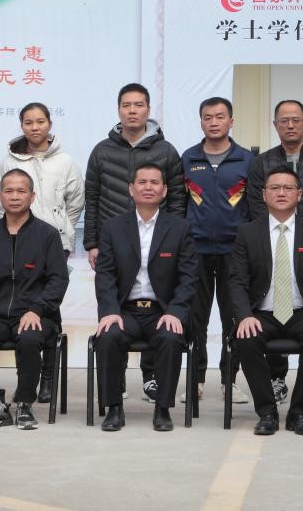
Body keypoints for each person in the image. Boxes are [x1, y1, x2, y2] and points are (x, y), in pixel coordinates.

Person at [84, 83, 186, 403]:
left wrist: (174, 235)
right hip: (114, 241)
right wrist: (92, 242)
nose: (132, 110)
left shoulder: (165, 151)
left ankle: (151, 377)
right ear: (118, 110)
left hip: (158, 237)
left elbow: (178, 198)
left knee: (157, 299)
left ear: (148, 110)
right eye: (126, 105)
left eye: (138, 105)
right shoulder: (102, 150)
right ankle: (116, 382)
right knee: (119, 305)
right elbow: (92, 197)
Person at [228, 165, 303, 436]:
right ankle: (267, 413)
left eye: (288, 188)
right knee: (246, 338)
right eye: (274, 188)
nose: (281, 192)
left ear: (299, 194)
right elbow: (237, 281)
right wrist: (244, 316)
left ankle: (299, 413)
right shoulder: (247, 232)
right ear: (264, 194)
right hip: (262, 313)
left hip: (302, 312)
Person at [245, 99, 303, 403]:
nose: (290, 125)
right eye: (283, 120)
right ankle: (276, 378)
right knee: (271, 301)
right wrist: (278, 225)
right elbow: (256, 202)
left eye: (296, 120)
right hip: (270, 238)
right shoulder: (261, 163)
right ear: (275, 125)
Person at [94, 164, 198, 432]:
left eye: (154, 182)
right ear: (131, 189)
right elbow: (105, 275)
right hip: (125, 311)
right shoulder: (113, 227)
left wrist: (175, 312)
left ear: (164, 190)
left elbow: (188, 277)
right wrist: (109, 311)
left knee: (171, 337)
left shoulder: (180, 228)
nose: (148, 187)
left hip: (161, 310)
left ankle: (162, 408)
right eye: (142, 182)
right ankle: (114, 408)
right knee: (108, 336)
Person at [0, 169, 68, 431]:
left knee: (30, 338)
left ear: (32, 196)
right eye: (9, 191)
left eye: (21, 191)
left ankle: (24, 403)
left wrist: (37, 309)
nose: (14, 196)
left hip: (37, 314)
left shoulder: (47, 235)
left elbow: (58, 280)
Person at [0, 101, 84, 403]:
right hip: (17, 241)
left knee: (49, 308)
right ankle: (27, 379)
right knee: (23, 307)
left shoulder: (66, 162)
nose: (35, 127)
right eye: (29, 122)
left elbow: (75, 202)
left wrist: (61, 228)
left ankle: (48, 376)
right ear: (22, 126)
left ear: (49, 124)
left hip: (55, 242)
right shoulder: (9, 162)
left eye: (40, 121)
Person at [181, 96, 253, 403]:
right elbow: (178, 204)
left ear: (231, 121)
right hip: (195, 249)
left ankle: (229, 380)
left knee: (233, 317)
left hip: (234, 251)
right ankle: (195, 380)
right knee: (194, 318)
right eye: (208, 117)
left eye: (220, 116)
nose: (214, 122)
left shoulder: (247, 160)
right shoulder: (188, 158)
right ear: (201, 122)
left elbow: (254, 208)